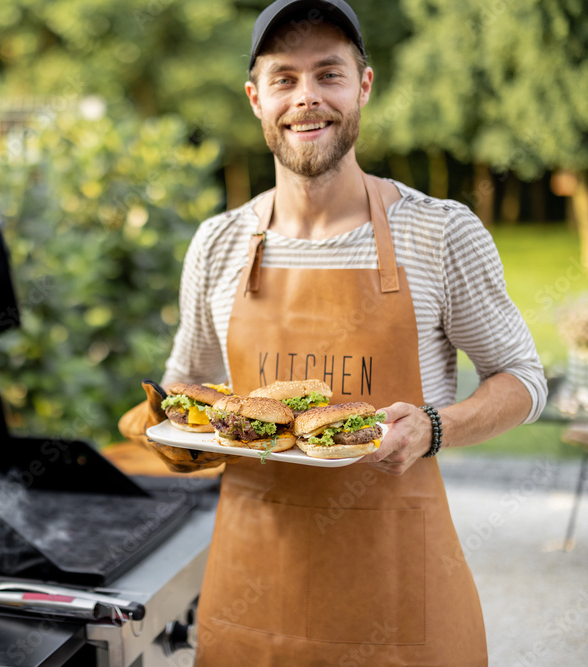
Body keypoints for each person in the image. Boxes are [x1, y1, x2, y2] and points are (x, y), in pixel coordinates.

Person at [118, 0, 547, 664]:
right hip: (252, 600)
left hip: (400, 605)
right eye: (285, 78)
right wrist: (173, 434)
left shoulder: (440, 231)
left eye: (329, 74)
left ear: (363, 86)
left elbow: (523, 377)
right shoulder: (218, 243)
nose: (307, 98)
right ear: (255, 97)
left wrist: (435, 428)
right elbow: (185, 386)